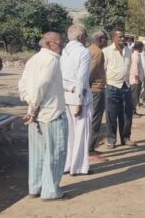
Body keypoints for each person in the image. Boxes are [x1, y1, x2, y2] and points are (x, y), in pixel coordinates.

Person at [18, 32, 68, 200]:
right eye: (59, 44)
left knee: (38, 153)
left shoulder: (34, 59)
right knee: (55, 152)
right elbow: (41, 86)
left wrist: (31, 106)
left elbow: (23, 85)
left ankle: (36, 187)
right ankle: (50, 191)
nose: (61, 47)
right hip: (51, 113)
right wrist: (33, 109)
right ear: (49, 44)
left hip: (38, 112)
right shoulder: (51, 59)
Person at [61, 25, 92, 176]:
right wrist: (79, 101)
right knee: (81, 133)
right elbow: (82, 79)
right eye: (85, 35)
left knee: (70, 134)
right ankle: (79, 166)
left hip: (67, 95)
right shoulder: (83, 52)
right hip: (80, 98)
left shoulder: (64, 52)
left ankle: (68, 164)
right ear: (80, 36)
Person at [102, 28, 133, 149]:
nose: (122, 39)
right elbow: (103, 69)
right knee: (111, 115)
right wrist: (106, 85)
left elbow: (128, 67)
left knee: (126, 114)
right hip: (112, 86)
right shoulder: (106, 51)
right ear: (113, 38)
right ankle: (111, 139)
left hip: (126, 86)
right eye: (119, 37)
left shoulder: (128, 51)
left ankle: (126, 138)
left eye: (123, 36)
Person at [88, 31, 107, 155]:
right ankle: (90, 147)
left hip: (92, 89)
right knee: (95, 119)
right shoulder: (98, 52)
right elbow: (91, 71)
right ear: (100, 39)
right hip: (96, 89)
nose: (107, 41)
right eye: (106, 39)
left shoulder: (89, 49)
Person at [129, 41, 145, 117]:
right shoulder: (135, 55)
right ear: (139, 47)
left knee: (136, 96)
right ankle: (132, 112)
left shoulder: (137, 55)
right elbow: (134, 67)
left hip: (138, 78)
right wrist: (136, 78)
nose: (143, 49)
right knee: (134, 96)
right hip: (135, 80)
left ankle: (134, 111)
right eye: (142, 47)